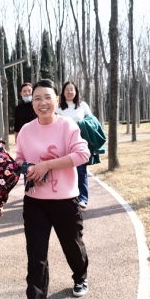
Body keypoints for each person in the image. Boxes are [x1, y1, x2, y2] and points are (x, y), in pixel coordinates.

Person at [15, 79, 91, 299]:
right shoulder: (25, 131)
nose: (42, 102)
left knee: (72, 245)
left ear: (57, 100)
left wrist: (47, 165)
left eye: (47, 97)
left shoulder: (67, 126)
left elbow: (82, 155)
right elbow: (19, 160)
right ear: (31, 102)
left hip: (65, 201)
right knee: (36, 257)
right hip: (35, 201)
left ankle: (80, 275)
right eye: (37, 98)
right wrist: (28, 169)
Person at [55, 81, 92, 209]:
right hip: (62, 143)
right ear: (63, 92)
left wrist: (82, 125)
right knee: (64, 170)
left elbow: (91, 120)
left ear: (76, 92)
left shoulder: (83, 105)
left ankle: (83, 198)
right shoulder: (58, 107)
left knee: (81, 171)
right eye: (67, 89)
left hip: (79, 142)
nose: (69, 92)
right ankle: (67, 196)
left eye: (72, 89)